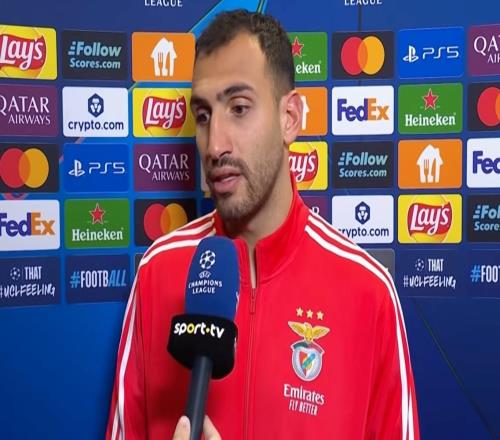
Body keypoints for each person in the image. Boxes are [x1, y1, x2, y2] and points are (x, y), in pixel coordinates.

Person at [106, 9, 420, 439]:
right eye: (203, 116)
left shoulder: (369, 292)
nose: (215, 145)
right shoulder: (157, 272)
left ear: (290, 118)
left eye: (239, 108)